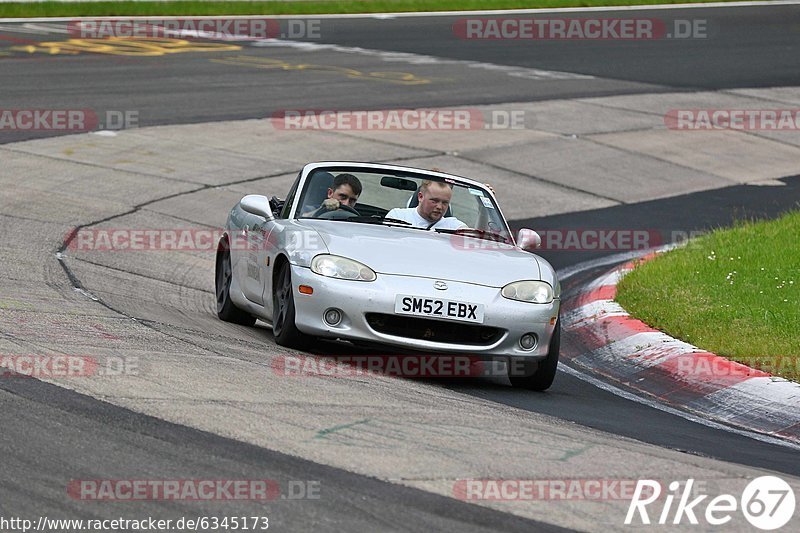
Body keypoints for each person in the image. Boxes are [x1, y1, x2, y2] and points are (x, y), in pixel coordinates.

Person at [385, 180, 468, 230]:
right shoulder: (397, 216)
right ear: (420, 197)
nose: (439, 207)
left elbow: (472, 238)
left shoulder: (454, 227)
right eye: (434, 201)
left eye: (445, 203)